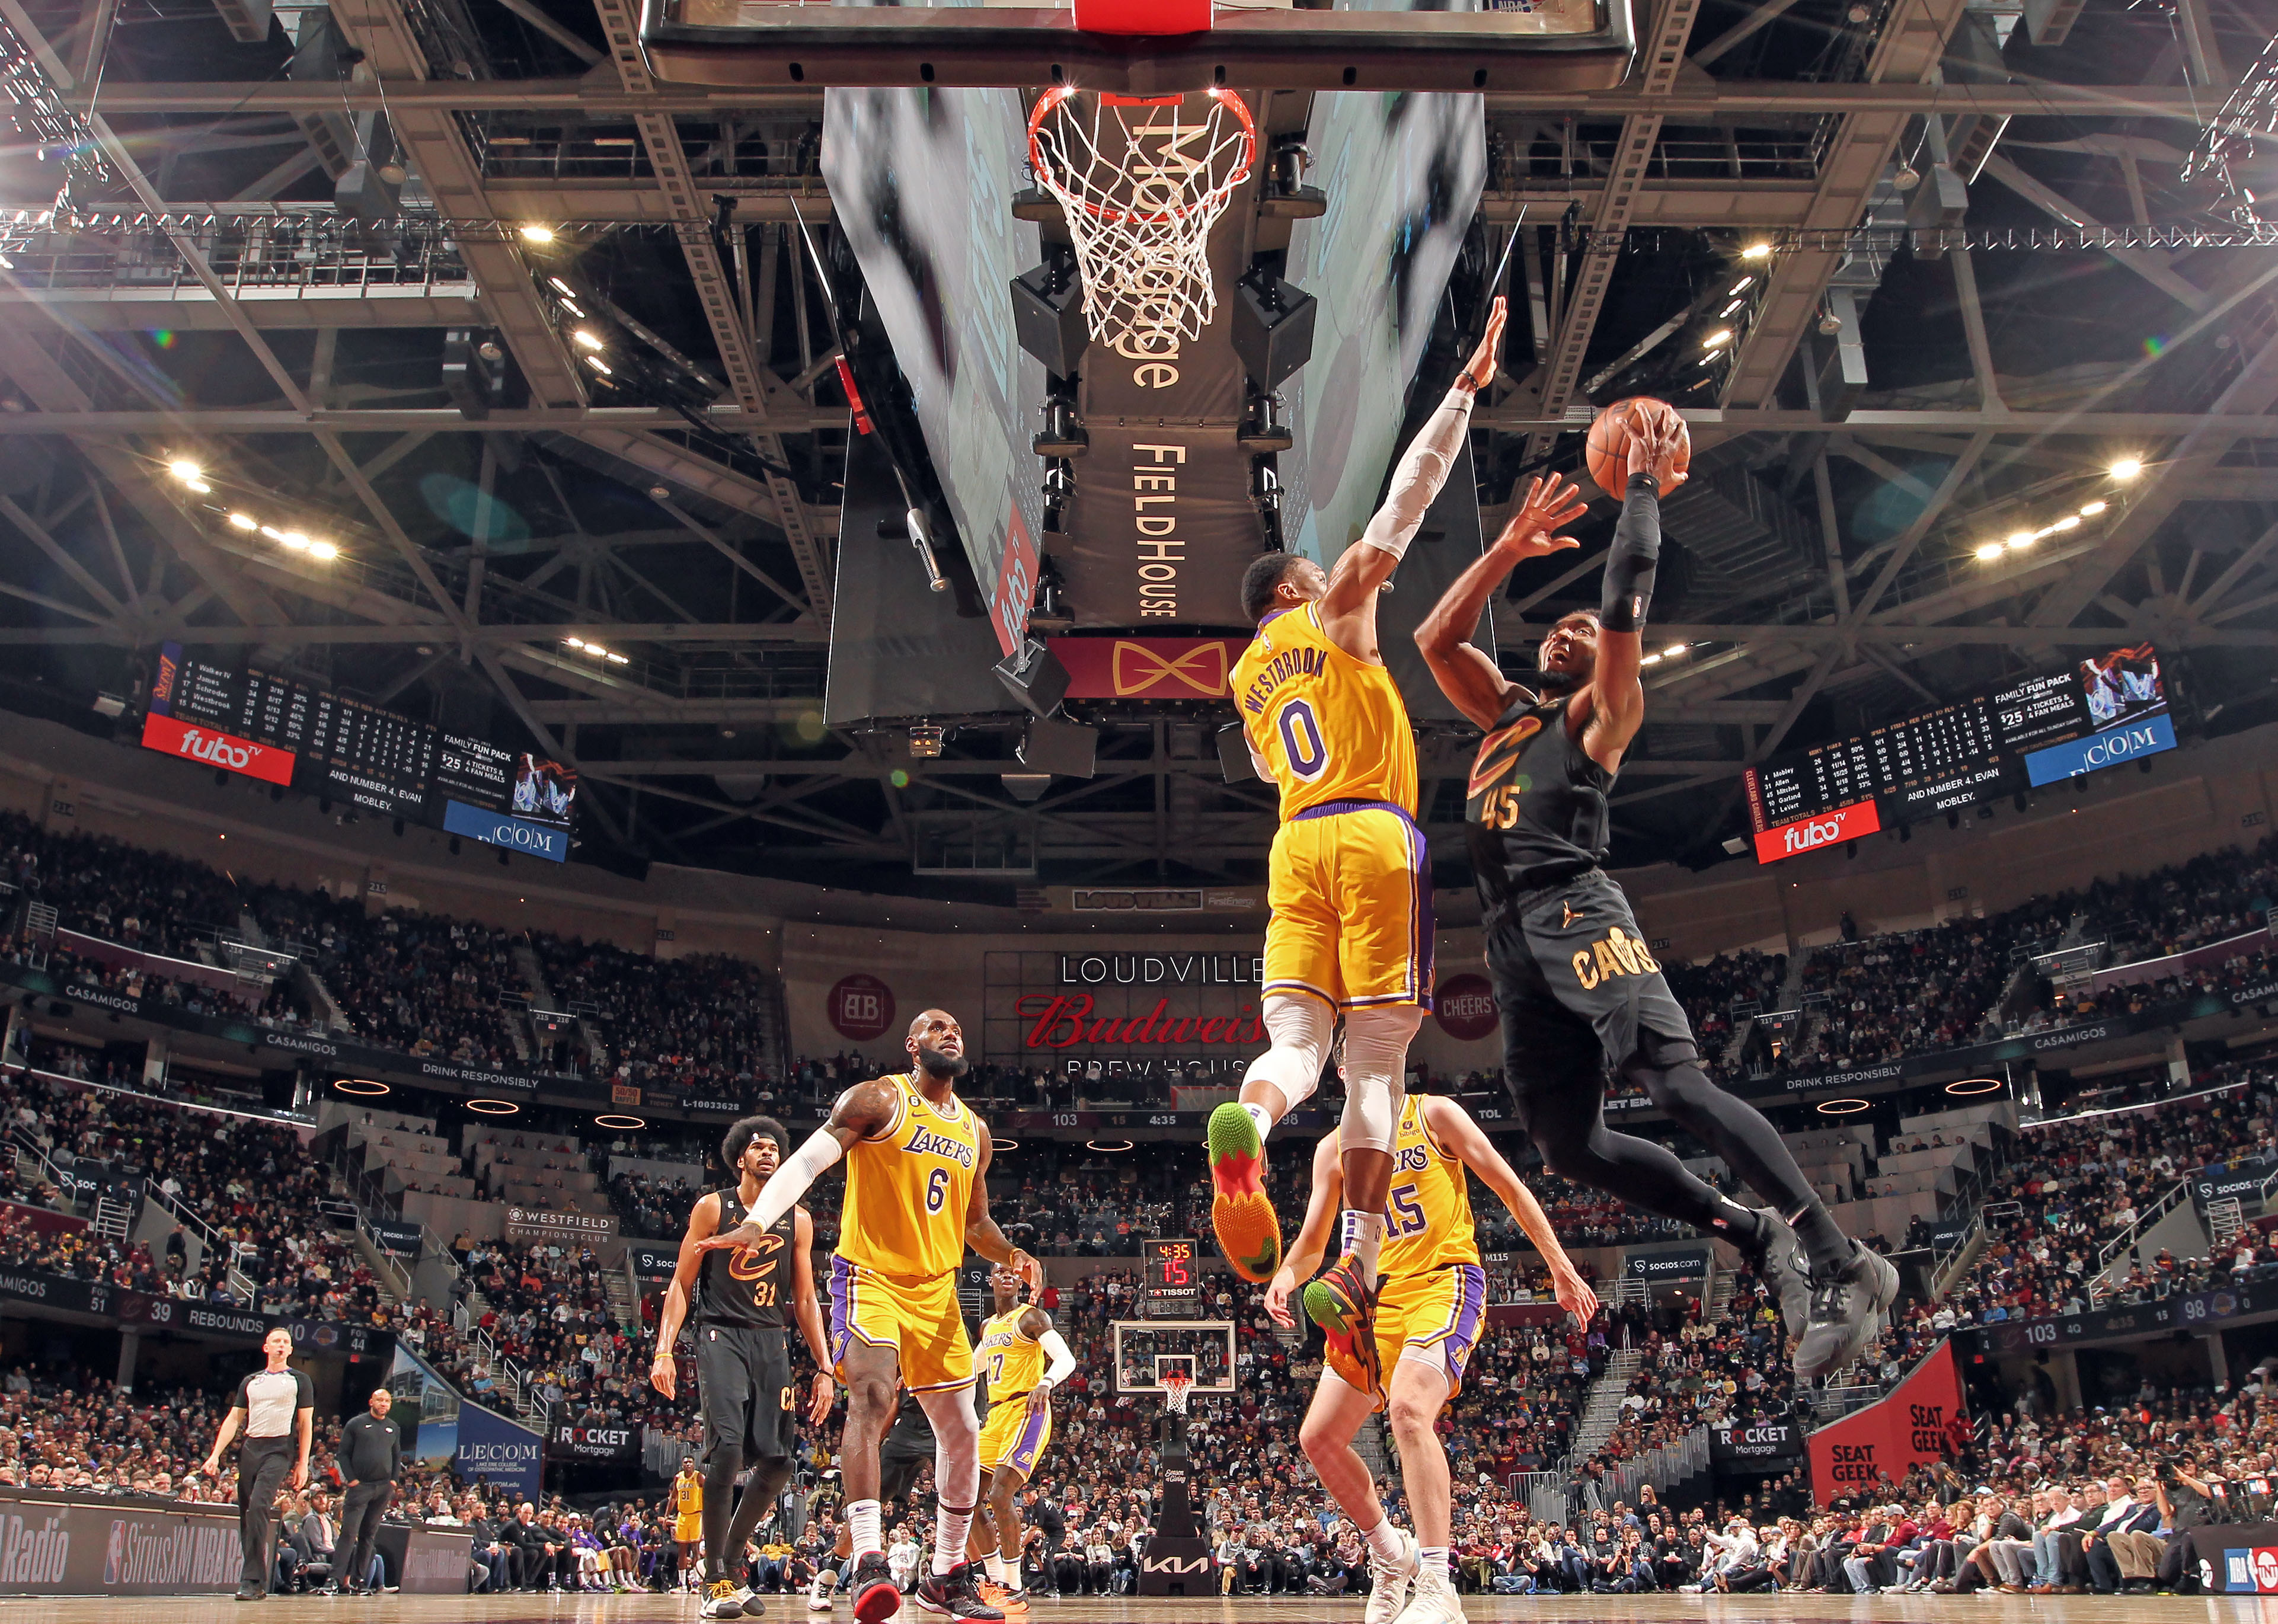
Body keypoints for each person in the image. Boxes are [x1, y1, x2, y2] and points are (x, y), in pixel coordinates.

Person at [1412, 427, 1896, 1384]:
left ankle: (1843, 1260)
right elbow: (1435, 639)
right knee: (1565, 1144)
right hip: (1510, 945)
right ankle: (1752, 1233)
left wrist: (1639, 486)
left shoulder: (1603, 714)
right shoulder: (1510, 711)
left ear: (1609, 662)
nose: (1568, 631)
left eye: (1584, 635)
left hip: (1577, 909)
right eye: (1558, 627)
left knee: (1675, 1087)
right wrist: (1505, 549)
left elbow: (1625, 592)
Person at [1205, 299, 1516, 1398]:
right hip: (1374, 833)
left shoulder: (1245, 678)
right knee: (1377, 1068)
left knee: (1296, 1051)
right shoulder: (1327, 613)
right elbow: (1403, 504)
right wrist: (1462, 392)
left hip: (1292, 847)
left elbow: (1262, 762)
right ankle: (1366, 1257)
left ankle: (1255, 1114)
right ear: (1291, 590)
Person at [698, 1008, 1040, 1622]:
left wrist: (1013, 1251)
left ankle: (946, 1574)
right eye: (936, 1027)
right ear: (912, 1045)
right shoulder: (880, 1098)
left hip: (937, 1292)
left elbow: (975, 1225)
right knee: (874, 1396)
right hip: (871, 1276)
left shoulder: (975, 1132)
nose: (950, 1032)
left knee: (962, 1431)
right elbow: (805, 1162)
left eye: (956, 1028)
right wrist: (755, 1222)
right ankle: (869, 1561)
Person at [1269, 1089, 1596, 1624]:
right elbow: (1311, 1242)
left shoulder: (1433, 1113)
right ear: (1343, 1070)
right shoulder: (1332, 1149)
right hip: (1374, 1301)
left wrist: (1558, 1266)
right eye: (1350, 1058)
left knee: (1408, 1410)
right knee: (1318, 1439)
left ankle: (1439, 1584)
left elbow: (1509, 1187)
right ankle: (1390, 1553)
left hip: (1444, 1282)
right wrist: (1284, 1277)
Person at [654, 1114, 836, 1620]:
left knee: (779, 1463)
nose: (768, 1153)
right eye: (758, 1147)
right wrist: (664, 1349)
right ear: (740, 1158)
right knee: (728, 1448)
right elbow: (679, 1284)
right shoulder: (714, 1207)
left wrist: (824, 1366)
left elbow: (804, 1297)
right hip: (720, 1333)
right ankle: (712, 1576)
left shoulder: (798, 1218)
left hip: (771, 1341)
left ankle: (730, 1563)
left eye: (775, 1147)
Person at [971, 1265, 1074, 1616]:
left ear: (1020, 1282)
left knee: (1000, 1494)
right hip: (996, 1414)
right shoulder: (987, 1327)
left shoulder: (1030, 1317)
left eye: (1014, 1273)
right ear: (990, 1280)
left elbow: (1066, 1358)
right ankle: (995, 1580)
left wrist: (1046, 1382)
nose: (1007, 1276)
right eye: (999, 1271)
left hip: (1027, 1408)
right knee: (966, 1499)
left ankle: (1015, 1587)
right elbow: (974, 1368)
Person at [201, 1325, 314, 1601]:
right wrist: (216, 1454)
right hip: (251, 1447)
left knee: (261, 1505)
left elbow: (305, 1423)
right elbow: (234, 1419)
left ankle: (251, 1580)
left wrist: (302, 1463)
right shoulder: (251, 1381)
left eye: (285, 1342)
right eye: (275, 1341)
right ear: (266, 1347)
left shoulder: (300, 1380)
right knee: (247, 1513)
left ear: (290, 1350)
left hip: (279, 1449)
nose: (280, 1345)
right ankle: (257, 1579)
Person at [337, 1386, 402, 1594]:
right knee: (349, 1533)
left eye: (388, 1401)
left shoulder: (394, 1427)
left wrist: (393, 1481)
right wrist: (352, 1480)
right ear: (371, 1402)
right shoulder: (356, 1424)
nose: (384, 1404)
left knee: (368, 1535)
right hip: (361, 1487)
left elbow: (397, 1456)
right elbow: (343, 1454)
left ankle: (358, 1581)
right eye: (380, 1400)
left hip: (383, 1488)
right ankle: (335, 1580)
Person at [672, 1458, 706, 1591]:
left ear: (694, 1464)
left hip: (696, 1515)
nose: (688, 1464)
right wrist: (666, 1514)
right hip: (682, 1515)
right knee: (682, 1550)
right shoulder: (678, 1477)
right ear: (682, 1464)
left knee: (695, 1549)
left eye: (690, 1462)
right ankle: (682, 1584)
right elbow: (674, 1497)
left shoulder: (699, 1476)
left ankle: (696, 1582)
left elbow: (708, 1493)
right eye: (685, 1462)